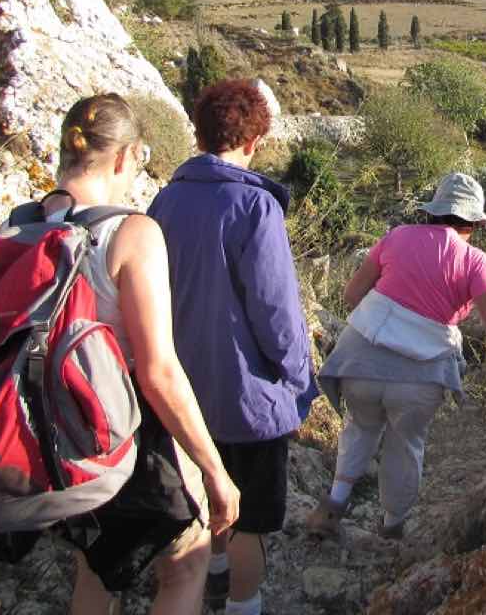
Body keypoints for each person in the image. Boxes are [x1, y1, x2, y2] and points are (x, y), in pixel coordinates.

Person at [306, 172, 486, 541]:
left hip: (360, 361)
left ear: (435, 211)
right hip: (419, 377)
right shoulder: (475, 262)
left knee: (360, 427)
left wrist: (385, 327)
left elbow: (352, 294)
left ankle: (333, 506)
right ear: (473, 222)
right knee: (404, 445)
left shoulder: (397, 237)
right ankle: (391, 529)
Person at [42, 93, 241, 615]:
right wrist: (214, 470)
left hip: (50, 441)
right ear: (126, 158)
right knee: (186, 564)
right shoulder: (131, 233)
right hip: (121, 439)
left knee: (94, 566)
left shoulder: (23, 226)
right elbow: (158, 372)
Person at [149, 79, 316, 615]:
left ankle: (213, 573)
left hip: (178, 392)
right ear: (255, 138)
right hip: (247, 396)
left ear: (199, 133)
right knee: (251, 520)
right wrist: (296, 380)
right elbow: (276, 311)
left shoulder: (164, 200)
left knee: (202, 498)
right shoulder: (254, 205)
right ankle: (243, 604)